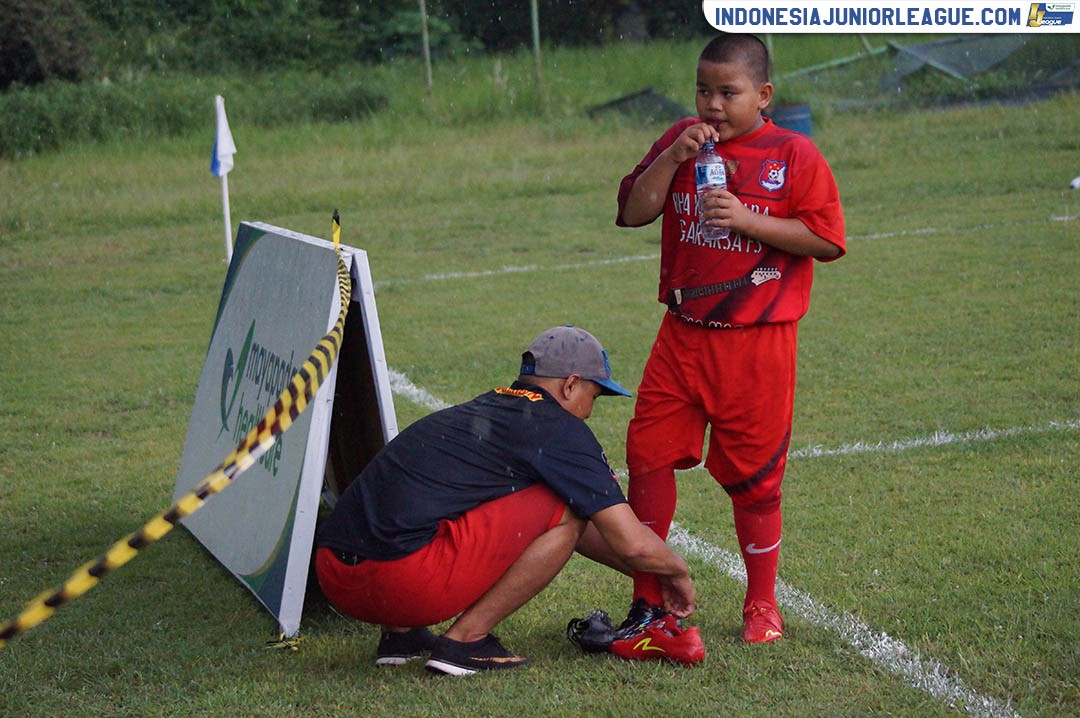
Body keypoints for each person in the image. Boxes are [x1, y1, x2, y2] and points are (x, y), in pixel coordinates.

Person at [609, 32, 846, 646]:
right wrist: (670, 157)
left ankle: (762, 603)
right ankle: (648, 598)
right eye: (703, 91)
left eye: (728, 92)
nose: (713, 104)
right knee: (647, 455)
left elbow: (827, 240)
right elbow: (634, 212)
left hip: (757, 345)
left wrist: (747, 220)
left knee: (757, 480)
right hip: (682, 335)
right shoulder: (682, 141)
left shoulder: (794, 153)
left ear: (763, 95)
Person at [315, 325, 704, 675]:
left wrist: (653, 577)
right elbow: (630, 542)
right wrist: (677, 571)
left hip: (335, 574)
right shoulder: (559, 429)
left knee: (443, 501)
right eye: (594, 395)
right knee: (564, 506)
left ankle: (401, 637)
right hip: (401, 581)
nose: (589, 411)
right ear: (570, 385)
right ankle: (466, 642)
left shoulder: (485, 407)